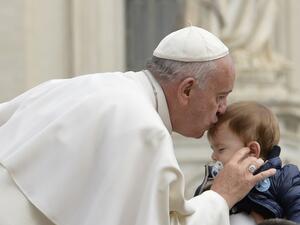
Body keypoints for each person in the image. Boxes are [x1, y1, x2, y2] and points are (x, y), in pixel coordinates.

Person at [0, 26, 275, 225]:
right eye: (220, 97)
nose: (223, 110)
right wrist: (220, 197)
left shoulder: (84, 86)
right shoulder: (145, 131)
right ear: (187, 90)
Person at [194, 101, 300, 224]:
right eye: (213, 149)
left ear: (252, 151)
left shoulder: (282, 178)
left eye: (221, 149)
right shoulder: (211, 185)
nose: (213, 156)